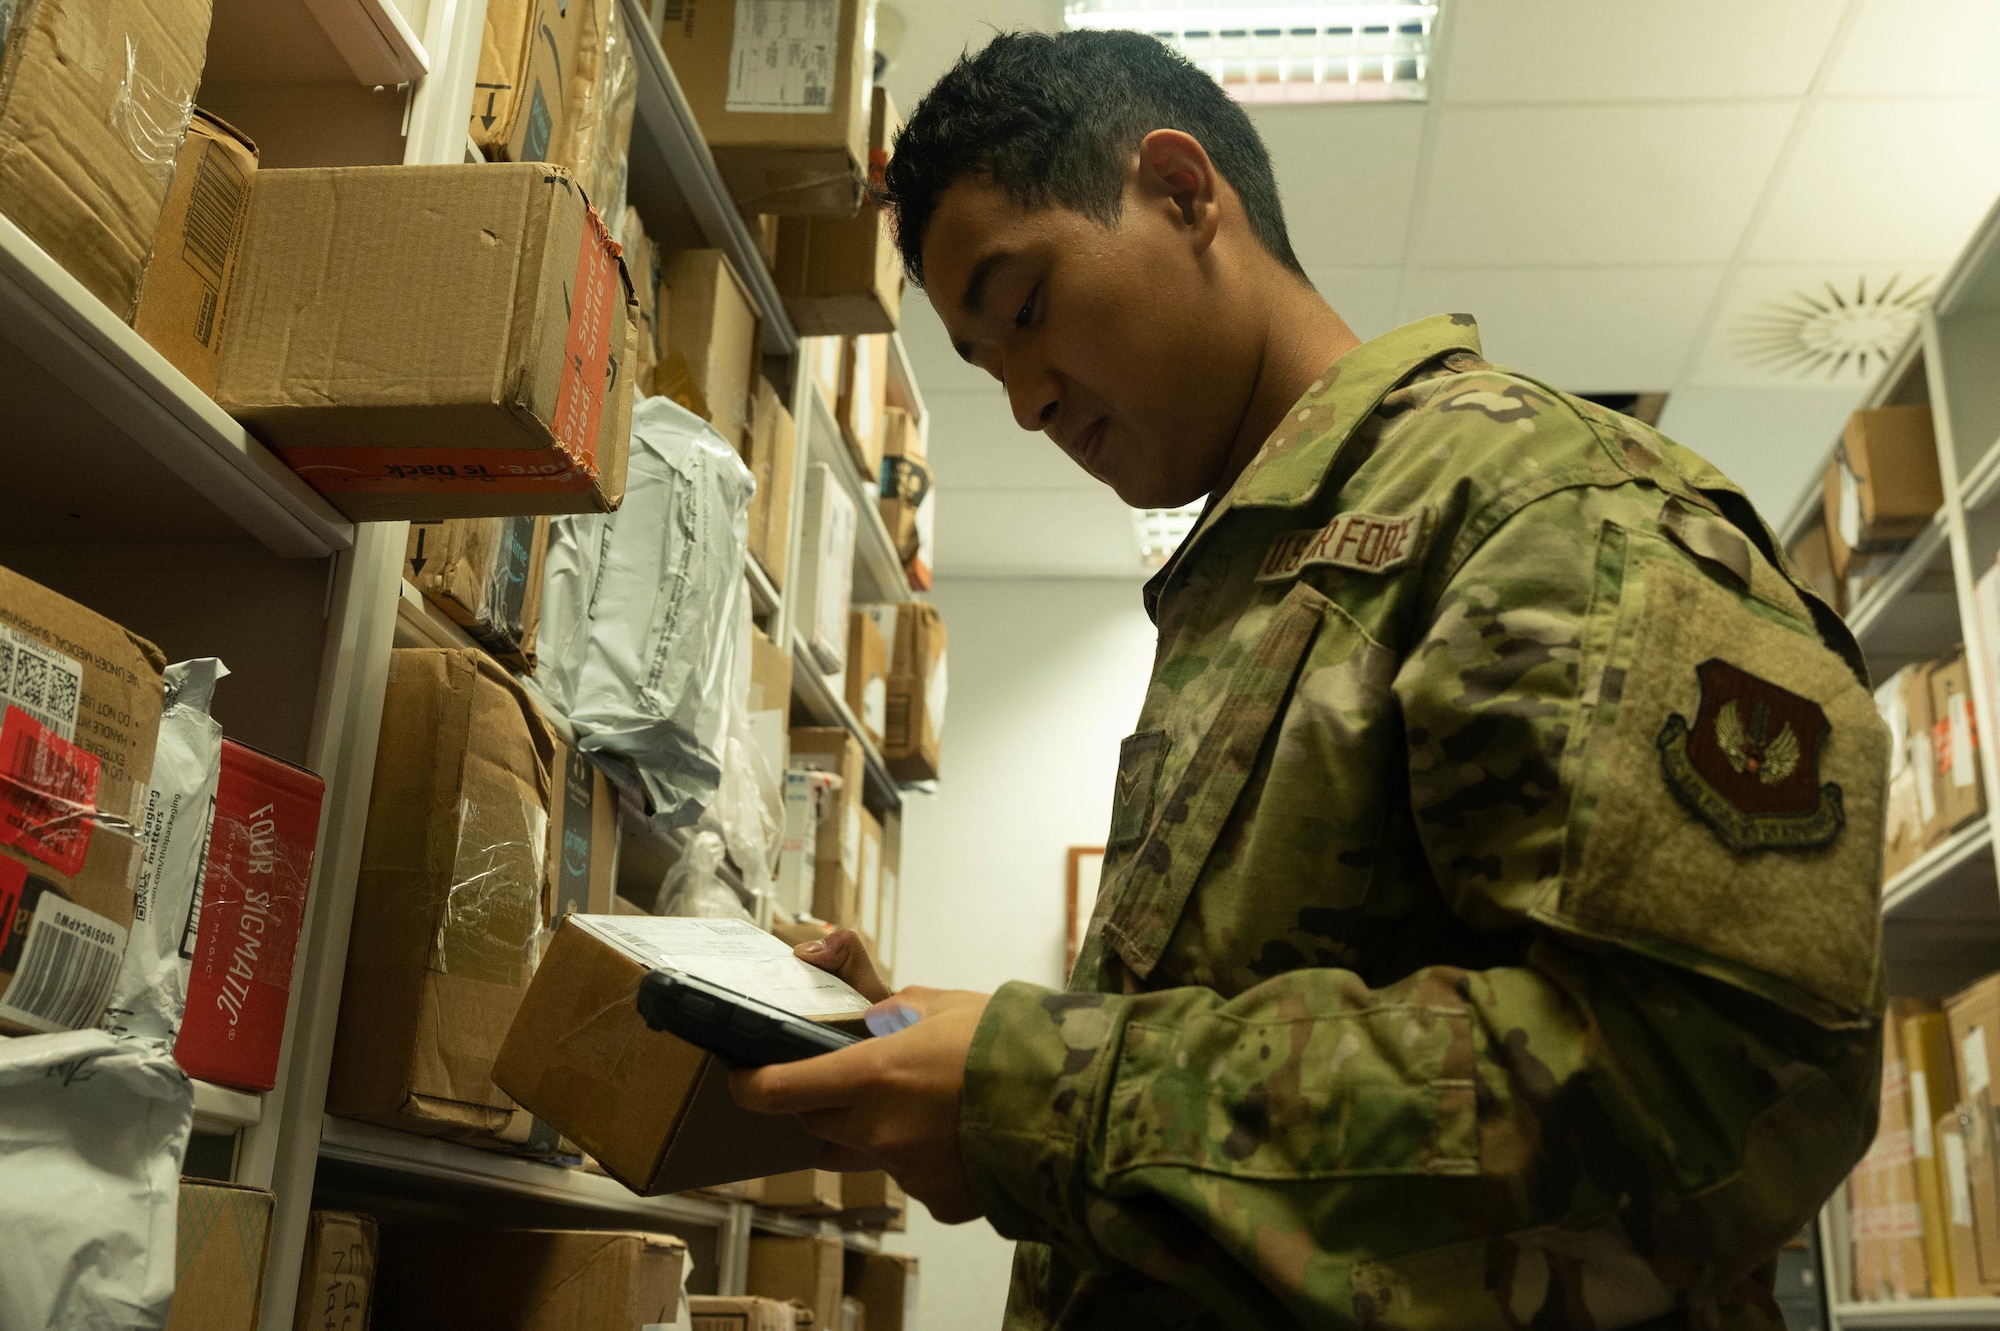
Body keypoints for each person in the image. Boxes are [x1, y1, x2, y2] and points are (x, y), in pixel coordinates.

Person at [730, 28, 1888, 1331]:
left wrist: (1036, 1090)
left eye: (1029, 306)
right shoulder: (1256, 585)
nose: (1024, 407)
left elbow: (1718, 1082)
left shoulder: (1532, 500)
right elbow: (1258, 1036)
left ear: (1183, 191)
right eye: (988, 364)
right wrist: (960, 1060)